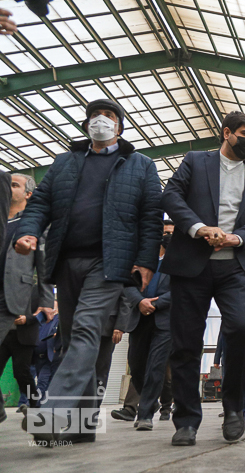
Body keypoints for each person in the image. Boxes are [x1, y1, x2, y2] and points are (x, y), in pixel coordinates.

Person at [15, 99, 163, 444]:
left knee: (84, 331)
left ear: (120, 127)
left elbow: (150, 216)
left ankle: (52, 413)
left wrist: (145, 261)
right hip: (66, 261)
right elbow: (41, 203)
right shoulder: (65, 161)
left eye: (109, 116)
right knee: (73, 343)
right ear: (86, 125)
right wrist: (29, 232)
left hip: (109, 263)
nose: (101, 120)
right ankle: (82, 428)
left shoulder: (140, 165)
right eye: (95, 115)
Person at [161, 111, 245, 446]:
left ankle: (235, 408)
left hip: (234, 269)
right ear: (226, 133)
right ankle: (186, 421)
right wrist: (199, 228)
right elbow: (171, 196)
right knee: (186, 342)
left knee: (241, 328)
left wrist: (237, 238)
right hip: (191, 266)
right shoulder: (195, 161)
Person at [0, 173, 54, 423]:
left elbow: (43, 265)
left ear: (28, 194)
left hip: (16, 303)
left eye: (15, 185)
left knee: (22, 372)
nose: (9, 188)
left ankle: (34, 406)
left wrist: (46, 301)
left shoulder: (33, 224)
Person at [123, 220, 174, 431]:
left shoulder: (178, 260)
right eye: (165, 233)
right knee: (136, 367)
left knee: (156, 367)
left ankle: (144, 415)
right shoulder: (140, 258)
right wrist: (139, 301)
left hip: (164, 320)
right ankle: (150, 402)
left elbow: (182, 288)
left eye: (172, 233)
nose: (168, 237)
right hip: (139, 318)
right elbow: (127, 283)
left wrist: (155, 304)